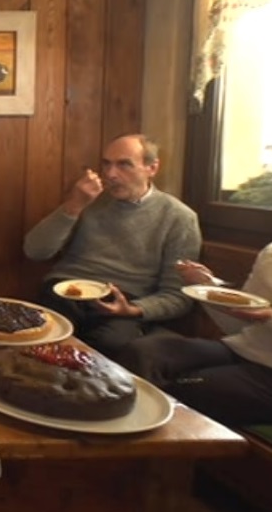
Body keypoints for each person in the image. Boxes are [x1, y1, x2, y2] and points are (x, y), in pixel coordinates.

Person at [24, 133, 201, 357]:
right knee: (40, 337)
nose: (110, 174)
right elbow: (35, 251)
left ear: (152, 168)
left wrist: (134, 310)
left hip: (124, 301)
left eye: (124, 164)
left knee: (108, 348)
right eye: (106, 164)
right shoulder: (88, 199)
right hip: (65, 289)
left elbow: (178, 296)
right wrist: (74, 205)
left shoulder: (179, 218)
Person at [117, 244, 272, 426]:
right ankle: (118, 430)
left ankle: (145, 436)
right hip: (242, 349)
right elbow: (240, 324)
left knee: (196, 387)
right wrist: (207, 287)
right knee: (143, 352)